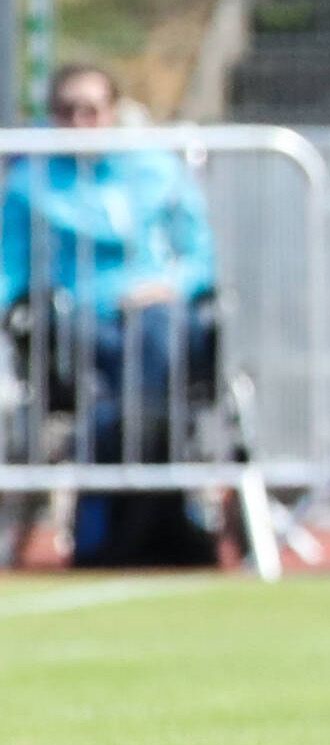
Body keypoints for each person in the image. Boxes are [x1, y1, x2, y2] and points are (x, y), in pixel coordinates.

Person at [5, 65, 221, 566]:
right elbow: (8, 266)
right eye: (67, 112)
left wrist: (169, 286)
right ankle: (137, 518)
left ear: (113, 112)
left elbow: (199, 255)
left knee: (157, 338)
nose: (80, 122)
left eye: (92, 110)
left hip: (159, 323)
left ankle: (131, 520)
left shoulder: (155, 170)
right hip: (77, 325)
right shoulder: (30, 182)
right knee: (117, 371)